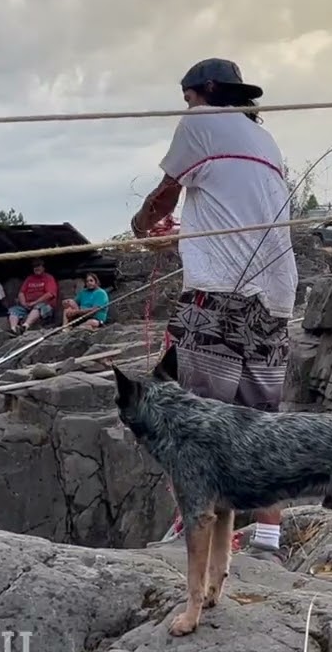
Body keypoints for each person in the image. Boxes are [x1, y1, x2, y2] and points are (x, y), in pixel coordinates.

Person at [130, 58, 298, 562]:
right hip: (275, 296)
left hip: (217, 294)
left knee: (193, 419)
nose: (185, 105)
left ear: (203, 90)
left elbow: (164, 197)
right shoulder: (263, 140)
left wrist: (142, 226)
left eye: (186, 96)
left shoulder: (201, 123)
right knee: (259, 419)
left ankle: (191, 529)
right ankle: (268, 539)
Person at [8, 259, 58, 334]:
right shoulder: (29, 278)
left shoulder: (48, 278)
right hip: (27, 306)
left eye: (38, 266)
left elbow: (50, 294)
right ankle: (13, 329)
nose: (36, 268)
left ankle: (25, 326)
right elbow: (21, 293)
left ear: (43, 267)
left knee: (38, 307)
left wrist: (34, 302)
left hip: (44, 306)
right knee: (13, 310)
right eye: (34, 266)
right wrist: (24, 303)